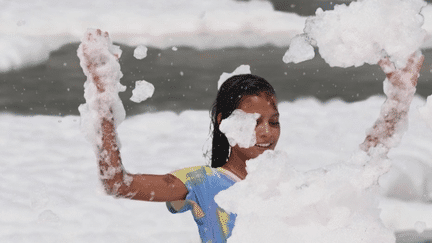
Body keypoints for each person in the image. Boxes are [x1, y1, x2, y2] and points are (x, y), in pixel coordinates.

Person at [97, 74, 281, 243]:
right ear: (225, 123)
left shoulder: (283, 186)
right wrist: (103, 103)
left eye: (273, 122)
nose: (267, 133)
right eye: (254, 122)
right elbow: (117, 185)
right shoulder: (203, 182)